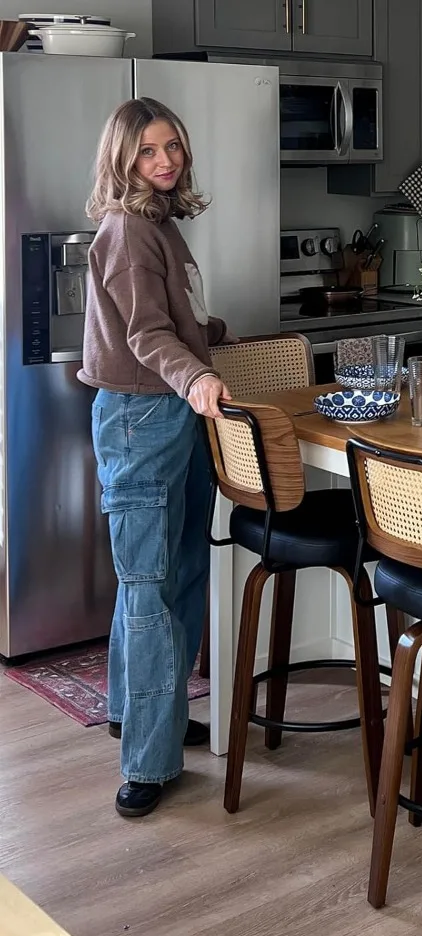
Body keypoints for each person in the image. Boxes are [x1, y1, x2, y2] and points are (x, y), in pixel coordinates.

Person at [81, 98, 233, 818]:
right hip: (146, 416)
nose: (165, 160)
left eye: (172, 145)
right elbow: (144, 333)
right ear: (123, 158)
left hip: (174, 411)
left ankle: (145, 714)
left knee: (175, 576)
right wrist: (198, 373)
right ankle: (147, 762)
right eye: (147, 151)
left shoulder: (161, 225)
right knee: (148, 587)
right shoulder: (127, 231)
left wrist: (207, 337)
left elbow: (169, 319)